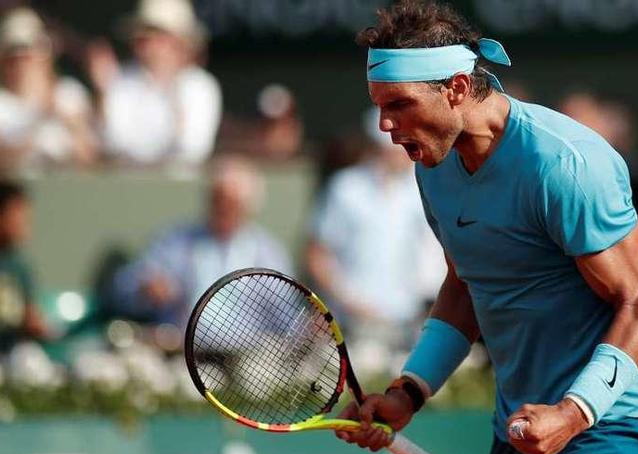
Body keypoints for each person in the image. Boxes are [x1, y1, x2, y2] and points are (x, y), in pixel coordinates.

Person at [336, 2, 638, 454]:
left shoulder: (563, 165)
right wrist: (407, 392)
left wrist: (572, 412)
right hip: (520, 431)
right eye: (380, 107)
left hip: (612, 425)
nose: (385, 126)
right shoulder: (432, 168)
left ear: (456, 88)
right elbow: (465, 284)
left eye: (400, 105)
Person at [306, 107, 445, 368]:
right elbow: (317, 254)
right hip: (355, 325)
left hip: (413, 324)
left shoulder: (422, 188)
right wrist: (350, 303)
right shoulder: (345, 188)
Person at [110, 157, 290, 335]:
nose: (223, 209)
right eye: (217, 200)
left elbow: (286, 316)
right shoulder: (175, 241)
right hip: (177, 350)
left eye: (232, 204)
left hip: (247, 356)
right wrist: (145, 289)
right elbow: (123, 288)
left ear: (249, 208)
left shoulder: (269, 253)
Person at [86, 0, 221, 168]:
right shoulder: (120, 81)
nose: (146, 43)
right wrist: (102, 93)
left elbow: (192, 148)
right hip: (127, 185)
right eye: (142, 35)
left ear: (178, 41)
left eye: (156, 34)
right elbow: (113, 143)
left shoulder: (200, 86)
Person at [0, 7, 96, 170]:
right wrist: (38, 124)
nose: (22, 63)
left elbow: (89, 157)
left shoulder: (69, 93)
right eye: (14, 56)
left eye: (29, 53)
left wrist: (64, 118)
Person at [0, 180, 50, 353]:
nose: (24, 223)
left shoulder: (18, 266)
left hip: (11, 351)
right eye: (17, 215)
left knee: (29, 360)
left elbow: (32, 318)